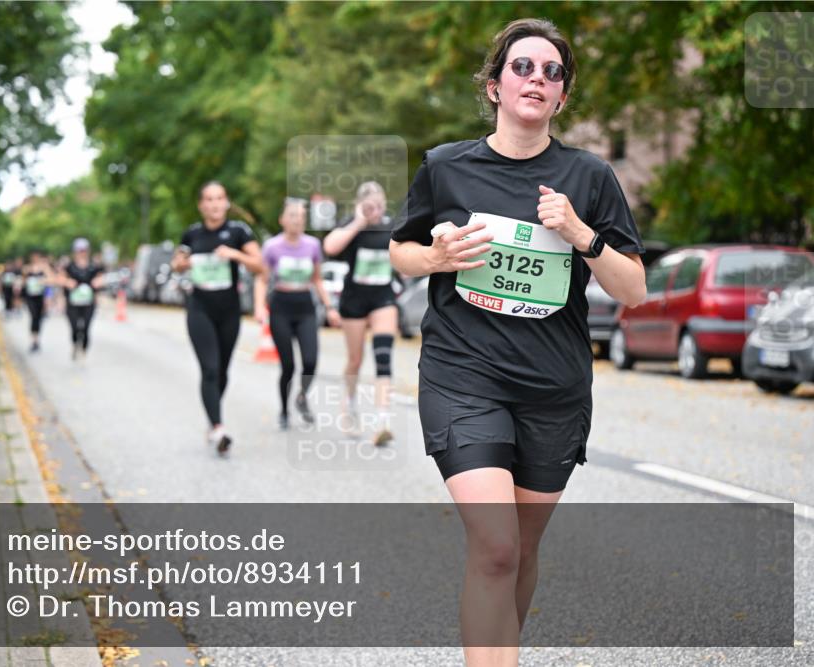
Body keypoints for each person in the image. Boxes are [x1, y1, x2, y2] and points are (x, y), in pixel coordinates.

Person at [389, 18, 647, 667]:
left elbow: (635, 289)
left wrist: (583, 234)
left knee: (522, 553)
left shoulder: (589, 178)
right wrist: (436, 255)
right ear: (495, 85)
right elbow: (400, 251)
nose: (537, 78)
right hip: (463, 376)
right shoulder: (446, 167)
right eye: (523, 67)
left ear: (562, 96)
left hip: (552, 389)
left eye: (552, 72)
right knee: (497, 546)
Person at [171, 181, 263, 454]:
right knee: (209, 369)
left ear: (226, 203)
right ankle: (218, 427)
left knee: (222, 371)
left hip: (229, 310)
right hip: (200, 308)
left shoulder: (238, 231)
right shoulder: (193, 234)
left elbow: (260, 265)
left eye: (219, 198)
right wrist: (181, 263)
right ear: (201, 205)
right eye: (209, 199)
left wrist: (234, 254)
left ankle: (212, 420)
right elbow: (177, 262)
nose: (214, 204)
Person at [323, 181, 400, 446]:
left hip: (383, 299)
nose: (375, 211)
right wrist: (357, 222)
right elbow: (329, 247)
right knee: (355, 359)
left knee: (383, 356)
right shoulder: (351, 224)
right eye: (369, 206)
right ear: (360, 205)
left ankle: (382, 420)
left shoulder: (391, 226)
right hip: (353, 301)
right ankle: (350, 403)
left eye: (379, 205)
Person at [254, 198, 341, 430]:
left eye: (301, 217)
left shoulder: (312, 245)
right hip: (281, 306)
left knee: (311, 361)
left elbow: (317, 279)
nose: (297, 220)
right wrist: (260, 307)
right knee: (288, 366)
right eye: (292, 216)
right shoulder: (272, 246)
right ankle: (283, 410)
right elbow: (262, 280)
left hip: (305, 307)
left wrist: (330, 308)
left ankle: (302, 397)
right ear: (282, 219)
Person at [61, 238, 105, 361]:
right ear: (75, 252)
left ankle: (84, 350)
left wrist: (99, 283)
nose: (82, 253)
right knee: (75, 327)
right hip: (72, 303)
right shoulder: (69, 266)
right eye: (79, 250)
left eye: (84, 250)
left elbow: (101, 279)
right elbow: (59, 279)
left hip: (88, 303)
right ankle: (75, 344)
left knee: (86, 327)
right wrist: (66, 282)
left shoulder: (93, 267)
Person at [21, 250, 53, 353]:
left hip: (40, 296)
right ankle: (34, 340)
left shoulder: (44, 268)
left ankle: (37, 339)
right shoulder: (27, 269)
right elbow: (23, 282)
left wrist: (42, 281)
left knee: (38, 318)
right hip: (30, 296)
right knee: (33, 316)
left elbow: (51, 279)